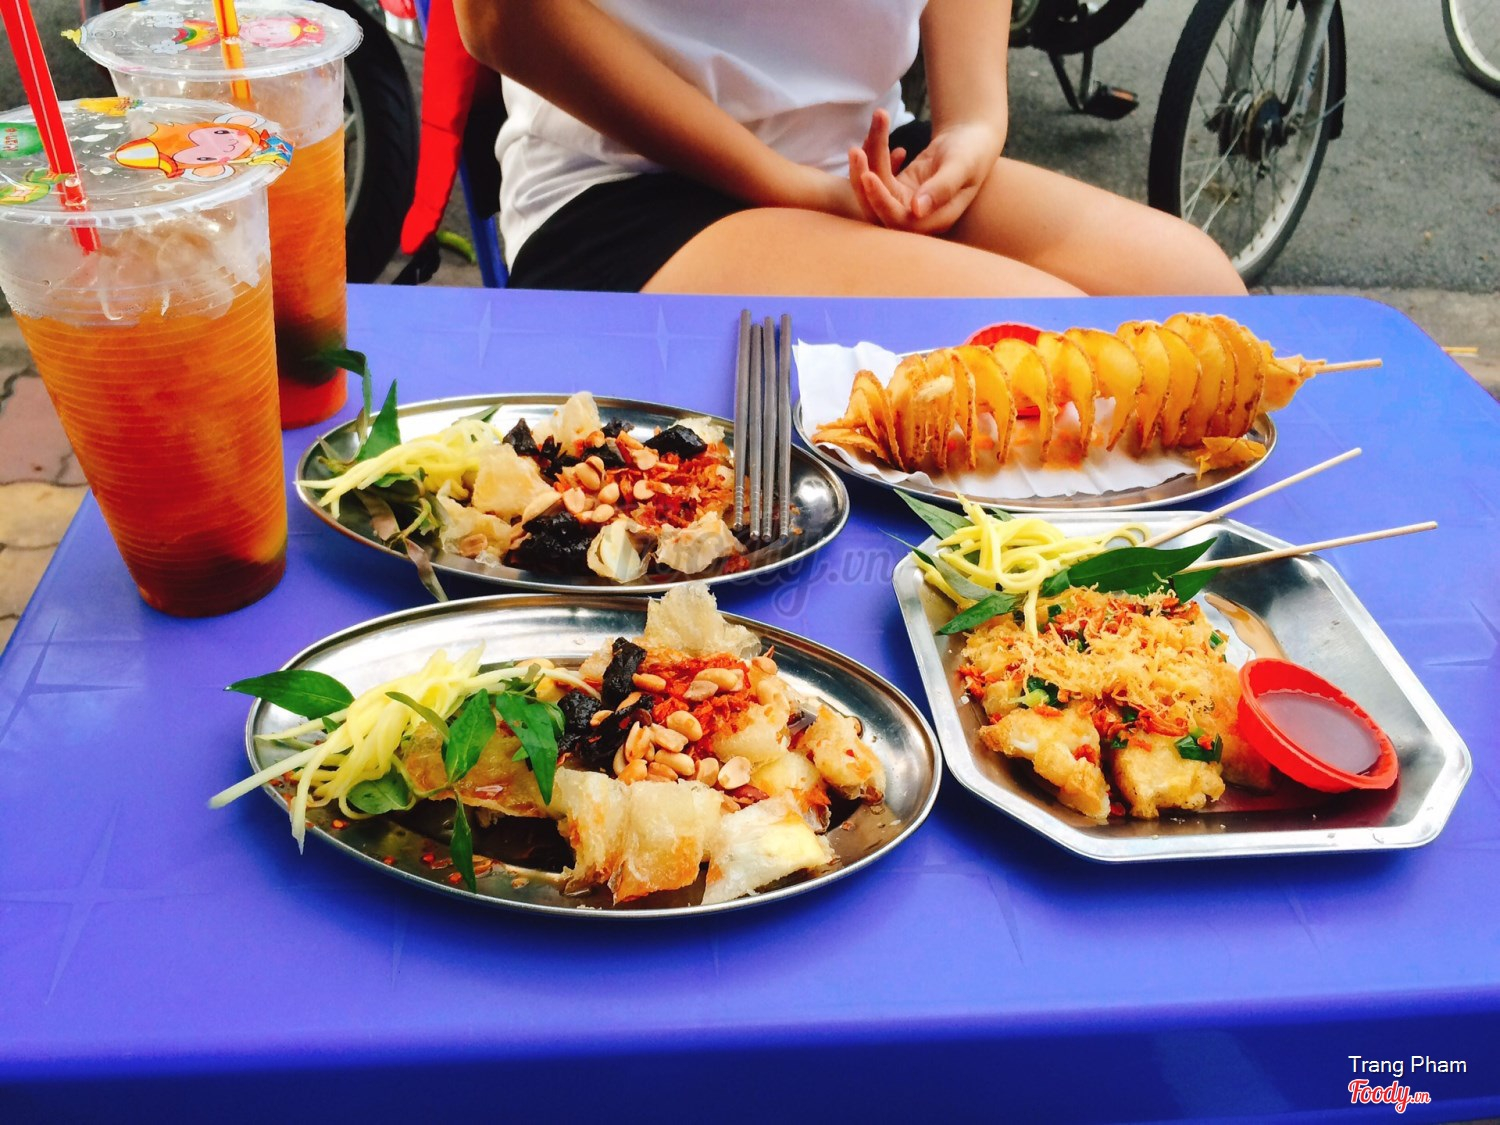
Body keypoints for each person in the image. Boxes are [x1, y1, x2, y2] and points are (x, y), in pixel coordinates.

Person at [452, 0, 1248, 298]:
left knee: (1201, 297)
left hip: (867, 157)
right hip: (626, 186)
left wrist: (972, 124)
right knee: (1059, 361)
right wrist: (789, 186)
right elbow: (499, 16)